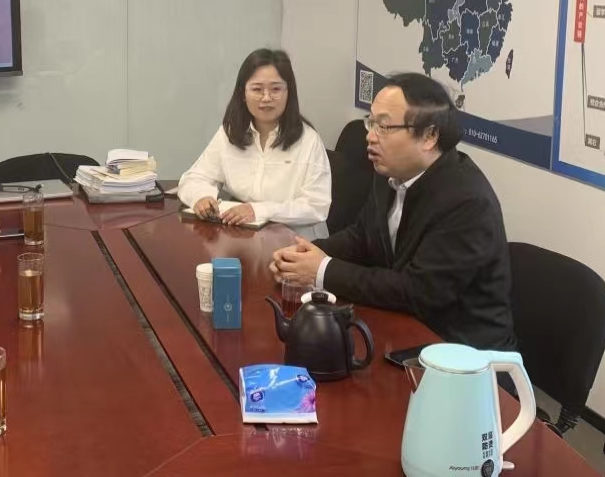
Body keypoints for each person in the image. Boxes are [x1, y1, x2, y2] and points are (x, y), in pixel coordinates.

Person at [271, 73, 516, 350]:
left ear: (429, 136)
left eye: (384, 127)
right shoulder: (391, 172)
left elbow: (418, 292)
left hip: (461, 354)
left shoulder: (467, 202)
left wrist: (322, 270)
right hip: (403, 332)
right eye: (371, 122)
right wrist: (303, 256)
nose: (370, 136)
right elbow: (363, 236)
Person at [178, 48, 331, 240]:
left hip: (295, 242)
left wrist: (259, 210)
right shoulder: (230, 133)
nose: (266, 98)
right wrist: (201, 197)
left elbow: (316, 206)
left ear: (288, 93)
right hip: (242, 237)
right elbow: (193, 178)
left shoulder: (308, 140)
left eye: (276, 89)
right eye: (257, 89)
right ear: (243, 93)